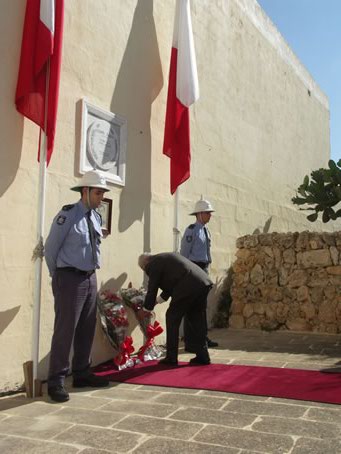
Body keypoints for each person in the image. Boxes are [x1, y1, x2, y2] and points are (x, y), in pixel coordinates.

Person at [44, 170, 111, 402]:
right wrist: (58, 276)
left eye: (102, 192)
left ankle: (81, 373)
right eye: (98, 192)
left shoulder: (95, 217)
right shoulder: (68, 215)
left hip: (90, 277)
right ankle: (56, 381)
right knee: (65, 329)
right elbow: (50, 248)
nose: (101, 196)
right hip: (69, 278)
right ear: (85, 191)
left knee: (86, 328)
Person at [138, 252, 212, 366]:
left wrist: (146, 309)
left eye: (144, 269)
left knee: (172, 317)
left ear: (146, 263)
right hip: (202, 283)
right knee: (197, 319)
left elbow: (152, 288)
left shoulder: (153, 264)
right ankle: (203, 356)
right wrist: (156, 302)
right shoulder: (164, 259)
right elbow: (169, 287)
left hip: (188, 286)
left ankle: (171, 358)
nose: (146, 271)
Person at [180, 197, 219, 349]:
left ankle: (202, 338)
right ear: (200, 213)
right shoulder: (192, 230)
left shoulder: (206, 230)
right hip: (194, 269)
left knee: (201, 306)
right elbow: (184, 253)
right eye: (208, 213)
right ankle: (191, 340)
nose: (210, 215)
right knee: (192, 305)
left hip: (203, 269)